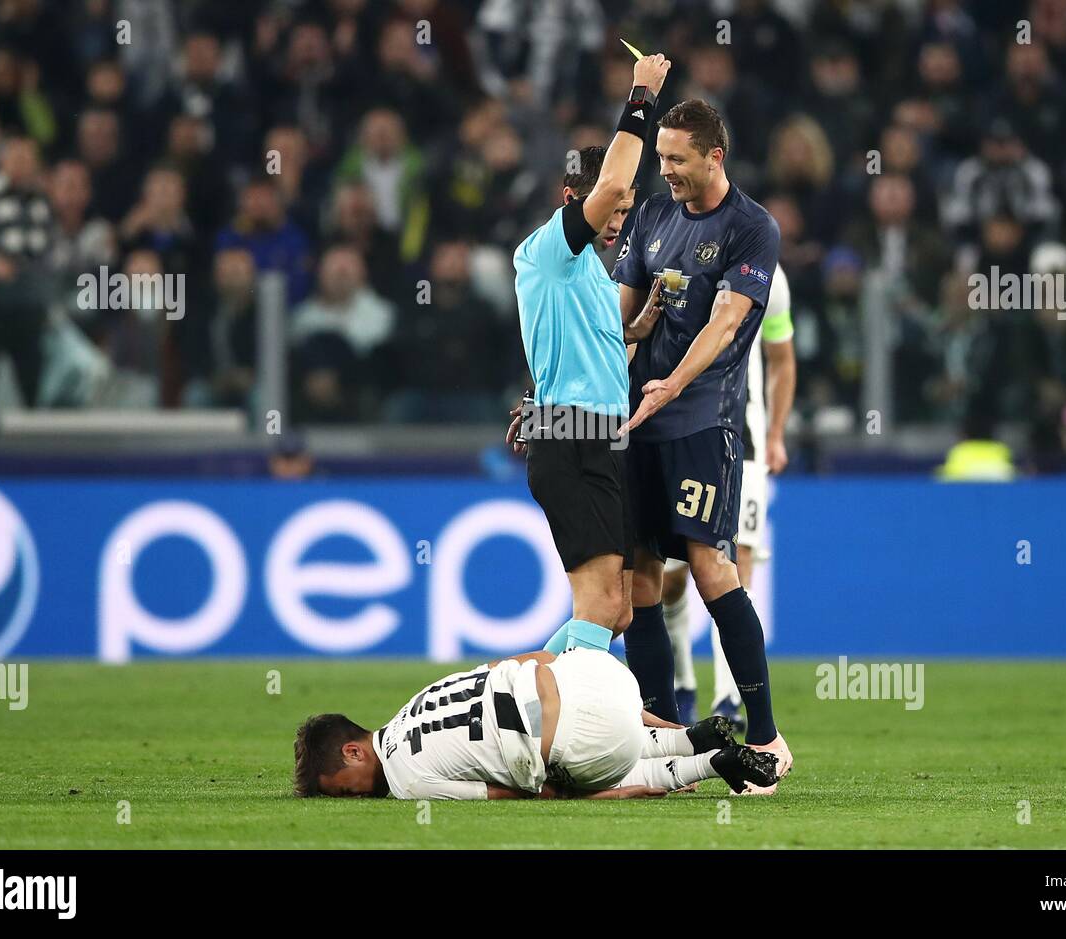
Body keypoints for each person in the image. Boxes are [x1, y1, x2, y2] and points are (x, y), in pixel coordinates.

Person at [611, 99, 792, 793]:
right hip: (639, 423)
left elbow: (724, 326)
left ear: (715, 155)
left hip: (702, 424)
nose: (666, 171)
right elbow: (620, 317)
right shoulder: (652, 218)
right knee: (638, 575)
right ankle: (663, 737)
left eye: (677, 159)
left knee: (711, 565)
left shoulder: (752, 229)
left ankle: (768, 735)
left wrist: (668, 383)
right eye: (660, 159)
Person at [509, 51, 671, 657]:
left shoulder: (593, 281)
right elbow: (611, 183)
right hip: (572, 439)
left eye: (628, 214)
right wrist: (641, 97)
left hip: (600, 437)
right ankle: (516, 706)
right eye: (614, 208)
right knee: (600, 606)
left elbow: (583, 348)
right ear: (573, 196)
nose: (619, 223)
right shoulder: (548, 251)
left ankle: (525, 692)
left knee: (619, 611)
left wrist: (635, 330)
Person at [292, 648, 779, 800]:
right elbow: (525, 658)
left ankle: (712, 764)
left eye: (343, 790)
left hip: (597, 742)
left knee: (564, 784)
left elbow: (503, 795)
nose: (352, 798)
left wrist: (565, 793)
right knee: (552, 697)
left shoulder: (404, 781)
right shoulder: (415, 700)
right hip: (602, 673)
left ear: (353, 752)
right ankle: (685, 735)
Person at [663, 262, 796, 728]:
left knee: (733, 562)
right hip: (677, 435)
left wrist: (776, 432)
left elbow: (781, 356)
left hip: (746, 443)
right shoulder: (671, 259)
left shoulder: (768, 275)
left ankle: (729, 700)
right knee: (671, 576)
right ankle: (682, 682)